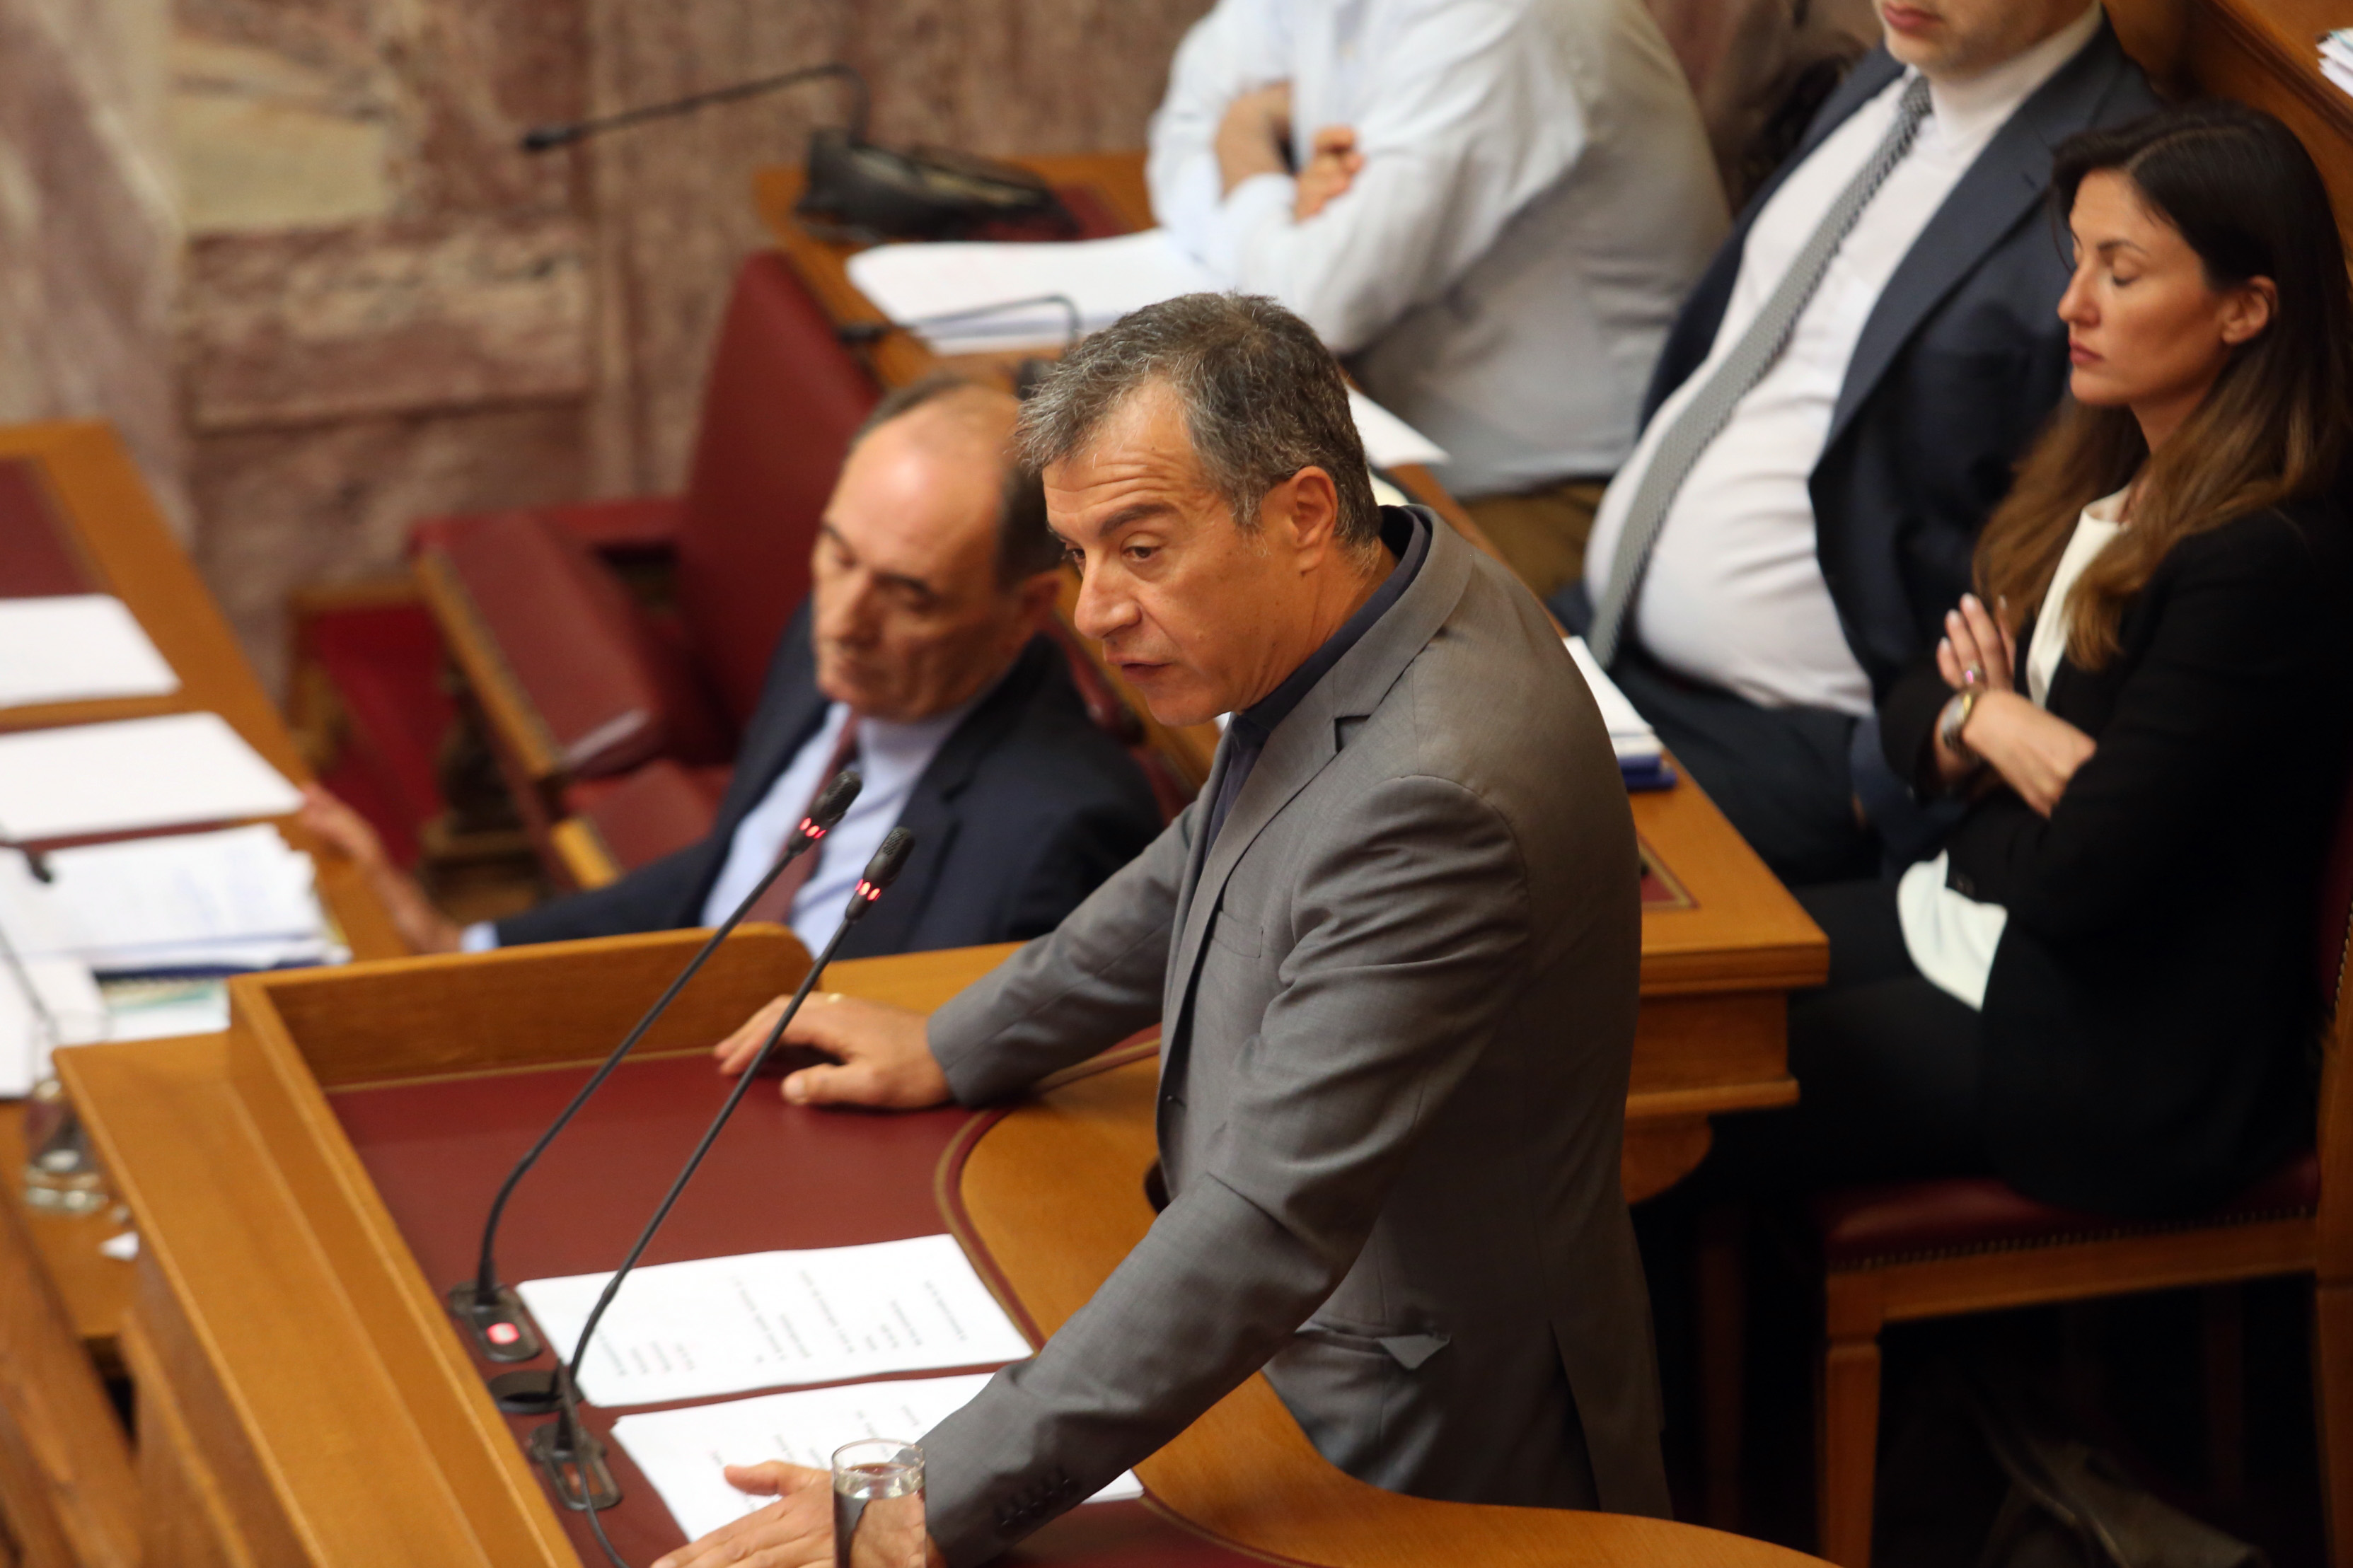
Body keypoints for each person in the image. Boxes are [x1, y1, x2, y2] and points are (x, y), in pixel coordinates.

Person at [651, 294, 1665, 1568]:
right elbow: (1209, 849)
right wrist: (962, 1040)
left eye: (1139, 549)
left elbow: (1266, 1218)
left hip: (1399, 1434)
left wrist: (923, 1498)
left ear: (1303, 512)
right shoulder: (1378, 586)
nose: (1092, 611)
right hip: (1267, 1341)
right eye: (1079, 555)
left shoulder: (1434, 796)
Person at [1706, 102, 2353, 1218]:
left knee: (1676, 1089)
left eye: (2120, 272)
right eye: (2077, 259)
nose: (2071, 304)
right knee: (1628, 1002)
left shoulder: (2262, 562)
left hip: (2101, 1040)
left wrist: (1990, 746)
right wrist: (1990, 726)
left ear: (2245, 309)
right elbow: (1918, 694)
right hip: (1962, 921)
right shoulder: (2098, 467)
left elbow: (2087, 873)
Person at [1563, 0, 2161, 885]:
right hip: (1600, 637)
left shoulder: (2116, 187)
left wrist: (1887, 772)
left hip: (1788, 745)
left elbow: (2087, 531)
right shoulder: (1899, 68)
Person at [303, 376, 1162, 964]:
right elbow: (726, 877)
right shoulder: (817, 650)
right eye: (837, 555)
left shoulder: (1061, 828)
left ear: (1021, 610)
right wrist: (461, 948)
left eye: (908, 595)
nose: (844, 621)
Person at [1147, 0, 1728, 600]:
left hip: (1564, 495)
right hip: (1390, 444)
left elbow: (1309, 306)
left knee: (1224, 601)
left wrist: (1244, 143)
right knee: (1151, 537)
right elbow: (1182, 133)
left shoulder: (1502, 18)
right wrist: (1284, 208)